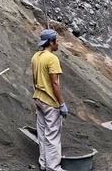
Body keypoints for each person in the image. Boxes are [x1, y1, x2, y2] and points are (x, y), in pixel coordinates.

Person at [31, 29, 68, 171]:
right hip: (50, 102)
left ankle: (44, 164)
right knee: (52, 134)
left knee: (42, 134)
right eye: (56, 41)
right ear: (51, 42)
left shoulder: (35, 57)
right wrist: (61, 104)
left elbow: (34, 79)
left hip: (38, 98)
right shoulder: (52, 59)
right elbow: (55, 83)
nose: (57, 43)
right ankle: (53, 167)